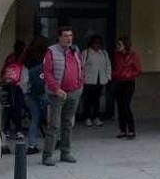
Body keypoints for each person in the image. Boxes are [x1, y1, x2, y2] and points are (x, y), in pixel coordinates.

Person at [42, 26, 84, 166]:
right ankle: (47, 155)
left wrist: (80, 86)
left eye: (70, 35)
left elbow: (80, 69)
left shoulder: (75, 50)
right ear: (59, 37)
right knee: (54, 125)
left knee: (68, 124)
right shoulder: (51, 52)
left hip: (74, 92)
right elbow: (47, 73)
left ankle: (65, 152)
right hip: (57, 94)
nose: (69, 38)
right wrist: (56, 89)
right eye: (65, 35)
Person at [20, 36, 49, 155]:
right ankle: (54, 142)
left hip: (30, 93)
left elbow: (23, 80)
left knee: (34, 119)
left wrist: (26, 91)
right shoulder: (47, 57)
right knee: (52, 119)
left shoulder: (26, 58)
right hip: (45, 92)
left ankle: (32, 145)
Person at [112, 37, 141, 139]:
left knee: (126, 105)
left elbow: (138, 70)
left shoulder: (133, 55)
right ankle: (123, 130)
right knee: (120, 106)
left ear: (125, 45)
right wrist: (115, 75)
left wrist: (129, 74)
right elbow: (115, 67)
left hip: (129, 82)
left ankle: (132, 130)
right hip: (118, 82)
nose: (118, 46)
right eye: (117, 44)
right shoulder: (117, 55)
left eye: (120, 44)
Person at [81, 35, 110, 127]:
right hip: (88, 80)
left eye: (98, 43)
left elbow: (108, 65)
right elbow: (81, 66)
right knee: (88, 100)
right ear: (91, 44)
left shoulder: (104, 53)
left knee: (97, 100)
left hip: (100, 80)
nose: (96, 45)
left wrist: (108, 77)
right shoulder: (86, 53)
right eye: (95, 43)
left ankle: (96, 117)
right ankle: (87, 118)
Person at [0, 40, 26, 139]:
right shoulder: (23, 58)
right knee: (17, 108)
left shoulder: (10, 57)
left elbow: (3, 71)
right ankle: (18, 130)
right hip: (18, 86)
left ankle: (6, 130)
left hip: (8, 85)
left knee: (9, 107)